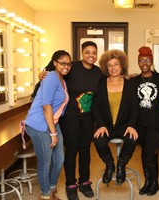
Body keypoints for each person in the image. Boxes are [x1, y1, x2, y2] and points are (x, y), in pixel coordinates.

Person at [58, 41, 103, 200]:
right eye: (87, 52)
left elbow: (112, 80)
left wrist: (129, 77)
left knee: (85, 150)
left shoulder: (98, 72)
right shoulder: (72, 67)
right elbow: (52, 70)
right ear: (82, 53)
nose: (91, 55)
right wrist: (40, 74)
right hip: (70, 116)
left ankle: (84, 182)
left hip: (88, 117)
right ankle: (70, 184)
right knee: (71, 150)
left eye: (94, 52)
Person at [25, 50, 71, 200]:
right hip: (39, 124)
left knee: (59, 160)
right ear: (55, 62)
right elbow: (46, 106)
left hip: (52, 122)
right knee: (45, 162)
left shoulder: (61, 79)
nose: (66, 66)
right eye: (63, 63)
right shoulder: (51, 76)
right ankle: (45, 196)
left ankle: (51, 190)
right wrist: (53, 133)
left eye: (69, 64)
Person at [92, 49, 139, 185]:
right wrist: (100, 125)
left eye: (116, 64)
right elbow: (95, 107)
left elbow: (135, 108)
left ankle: (121, 165)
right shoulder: (100, 83)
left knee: (132, 139)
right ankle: (110, 165)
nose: (113, 68)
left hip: (124, 125)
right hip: (106, 125)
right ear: (106, 67)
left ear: (121, 66)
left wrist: (131, 125)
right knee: (98, 141)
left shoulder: (130, 85)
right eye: (110, 65)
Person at [131, 46, 159, 196]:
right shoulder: (134, 81)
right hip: (140, 124)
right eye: (141, 60)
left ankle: (154, 183)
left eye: (147, 60)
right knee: (145, 153)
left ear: (151, 61)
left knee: (150, 153)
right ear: (138, 62)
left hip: (155, 123)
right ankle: (148, 181)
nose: (144, 63)